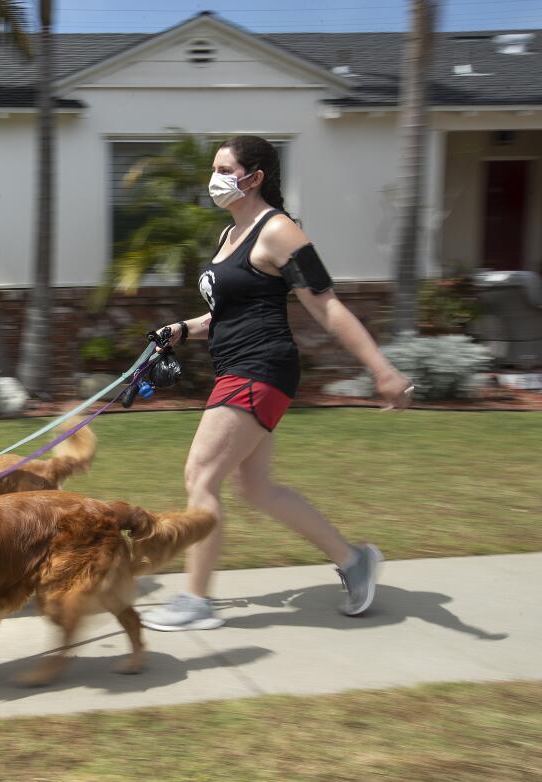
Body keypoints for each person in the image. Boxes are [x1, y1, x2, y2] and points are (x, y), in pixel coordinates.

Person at [140, 135, 414, 632]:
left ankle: (194, 600)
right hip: (239, 366)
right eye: (215, 167)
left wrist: (382, 369)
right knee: (256, 486)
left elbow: (327, 306)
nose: (215, 178)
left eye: (225, 168)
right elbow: (226, 313)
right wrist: (181, 329)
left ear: (254, 177)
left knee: (201, 476)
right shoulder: (230, 234)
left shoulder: (280, 231)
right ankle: (355, 561)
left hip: (260, 367)